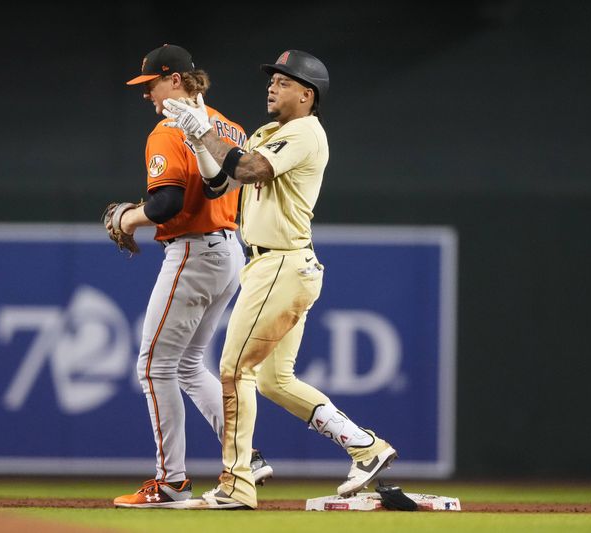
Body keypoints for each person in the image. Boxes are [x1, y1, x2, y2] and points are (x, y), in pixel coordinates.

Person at [162, 50, 397, 510]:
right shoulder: (270, 132)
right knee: (274, 379)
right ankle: (366, 447)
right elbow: (220, 185)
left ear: (307, 95)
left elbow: (250, 170)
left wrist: (203, 132)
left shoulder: (306, 132)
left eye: (284, 81)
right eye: (272, 78)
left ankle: (236, 483)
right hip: (279, 266)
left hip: (281, 264)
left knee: (233, 370)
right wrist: (200, 144)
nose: (272, 85)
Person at [110, 44, 273, 509]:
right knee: (186, 365)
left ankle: (170, 483)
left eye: (152, 84)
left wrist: (126, 218)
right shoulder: (230, 126)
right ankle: (248, 458)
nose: (148, 95)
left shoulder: (168, 129)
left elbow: (166, 205)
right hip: (229, 253)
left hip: (193, 252)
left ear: (176, 80)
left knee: (153, 366)